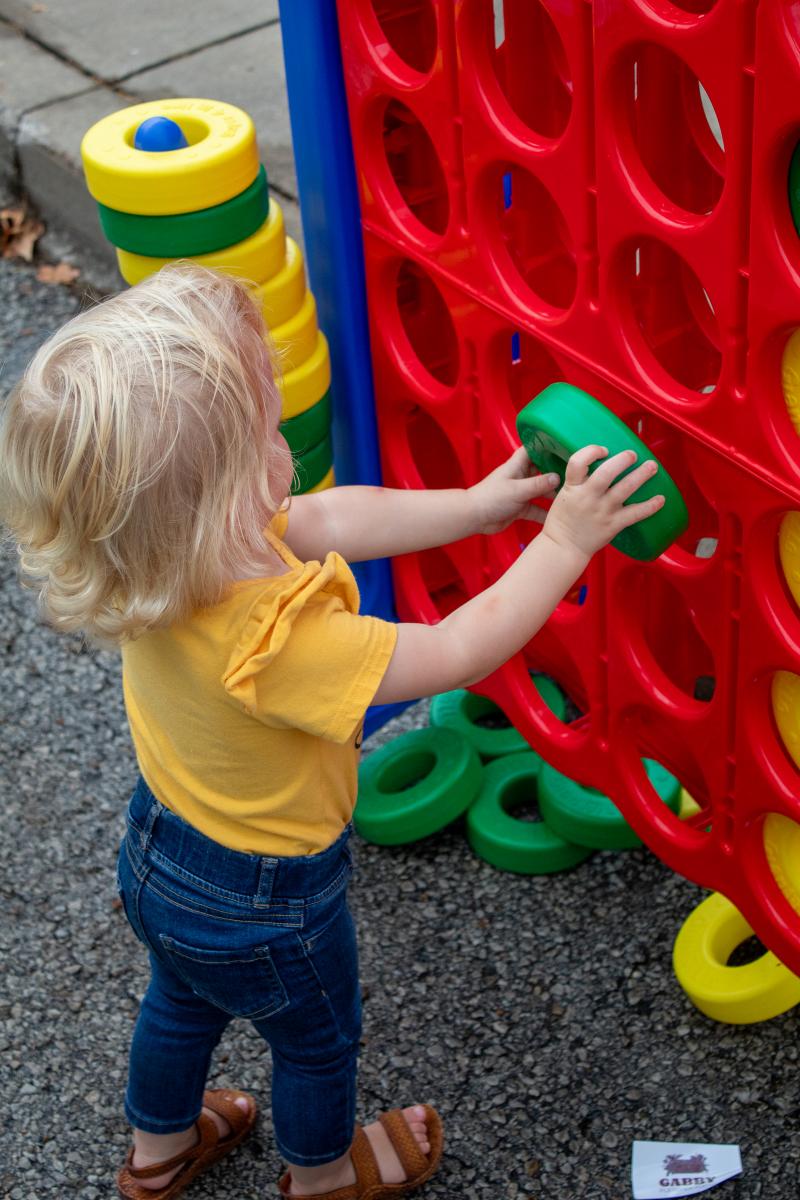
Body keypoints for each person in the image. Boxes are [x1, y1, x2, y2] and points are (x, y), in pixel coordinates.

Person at [0, 264, 664, 1200]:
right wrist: (564, 541)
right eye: (269, 436)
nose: (285, 447)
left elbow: (326, 515)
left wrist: (476, 507)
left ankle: (158, 1154)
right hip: (264, 899)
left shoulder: (153, 562)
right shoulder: (280, 638)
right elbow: (457, 648)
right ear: (225, 500)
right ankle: (322, 1177)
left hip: (160, 852)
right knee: (317, 1039)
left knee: (179, 1003)